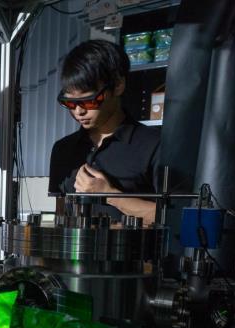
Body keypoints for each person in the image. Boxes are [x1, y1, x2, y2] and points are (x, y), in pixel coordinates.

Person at [49, 39, 160, 223]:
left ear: (118, 85)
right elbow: (61, 216)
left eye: (89, 101)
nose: (79, 111)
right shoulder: (63, 149)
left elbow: (175, 218)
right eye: (70, 103)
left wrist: (110, 195)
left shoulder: (153, 145)